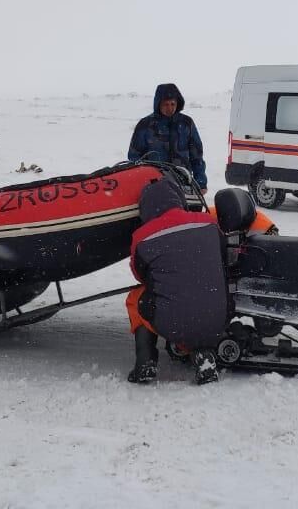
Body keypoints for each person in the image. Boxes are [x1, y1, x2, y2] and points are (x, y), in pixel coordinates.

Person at [125, 176, 228, 385]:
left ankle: (145, 362)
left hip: (173, 321)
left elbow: (140, 275)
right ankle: (203, 354)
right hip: (219, 316)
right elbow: (222, 257)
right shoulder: (209, 223)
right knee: (201, 293)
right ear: (179, 199)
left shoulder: (142, 237)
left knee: (135, 298)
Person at [127, 83, 207, 193]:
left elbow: (196, 156)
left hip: (183, 183)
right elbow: (134, 157)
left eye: (172, 104)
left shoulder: (186, 123)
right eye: (166, 104)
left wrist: (201, 182)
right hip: (155, 185)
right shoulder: (145, 125)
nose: (170, 108)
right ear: (158, 104)